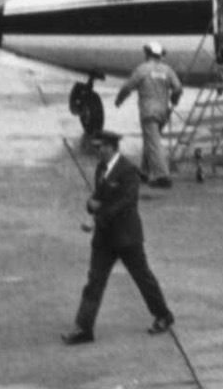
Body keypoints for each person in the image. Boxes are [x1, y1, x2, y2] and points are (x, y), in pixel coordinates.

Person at [62, 131, 174, 344]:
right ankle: (84, 328)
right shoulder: (101, 168)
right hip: (105, 239)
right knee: (94, 281)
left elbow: (124, 203)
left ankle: (163, 315)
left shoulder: (128, 172)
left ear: (111, 148)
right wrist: (90, 205)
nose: (97, 151)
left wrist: (97, 218)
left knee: (142, 278)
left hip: (126, 238)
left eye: (100, 147)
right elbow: (99, 197)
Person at [114, 40, 182, 187]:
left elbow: (128, 86)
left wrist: (119, 99)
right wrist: (173, 100)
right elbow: (178, 88)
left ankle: (162, 176)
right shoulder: (167, 70)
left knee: (153, 143)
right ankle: (145, 172)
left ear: (147, 54)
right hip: (163, 112)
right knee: (150, 139)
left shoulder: (143, 69)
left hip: (148, 112)